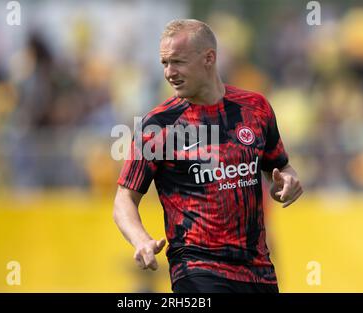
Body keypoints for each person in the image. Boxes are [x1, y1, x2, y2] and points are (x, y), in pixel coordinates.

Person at [113, 19, 303, 293]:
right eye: (164, 63)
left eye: (177, 62)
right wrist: (140, 239)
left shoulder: (255, 108)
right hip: (196, 271)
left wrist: (288, 181)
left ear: (209, 59)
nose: (169, 72)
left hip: (258, 272)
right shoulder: (157, 126)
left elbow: (281, 167)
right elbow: (124, 199)